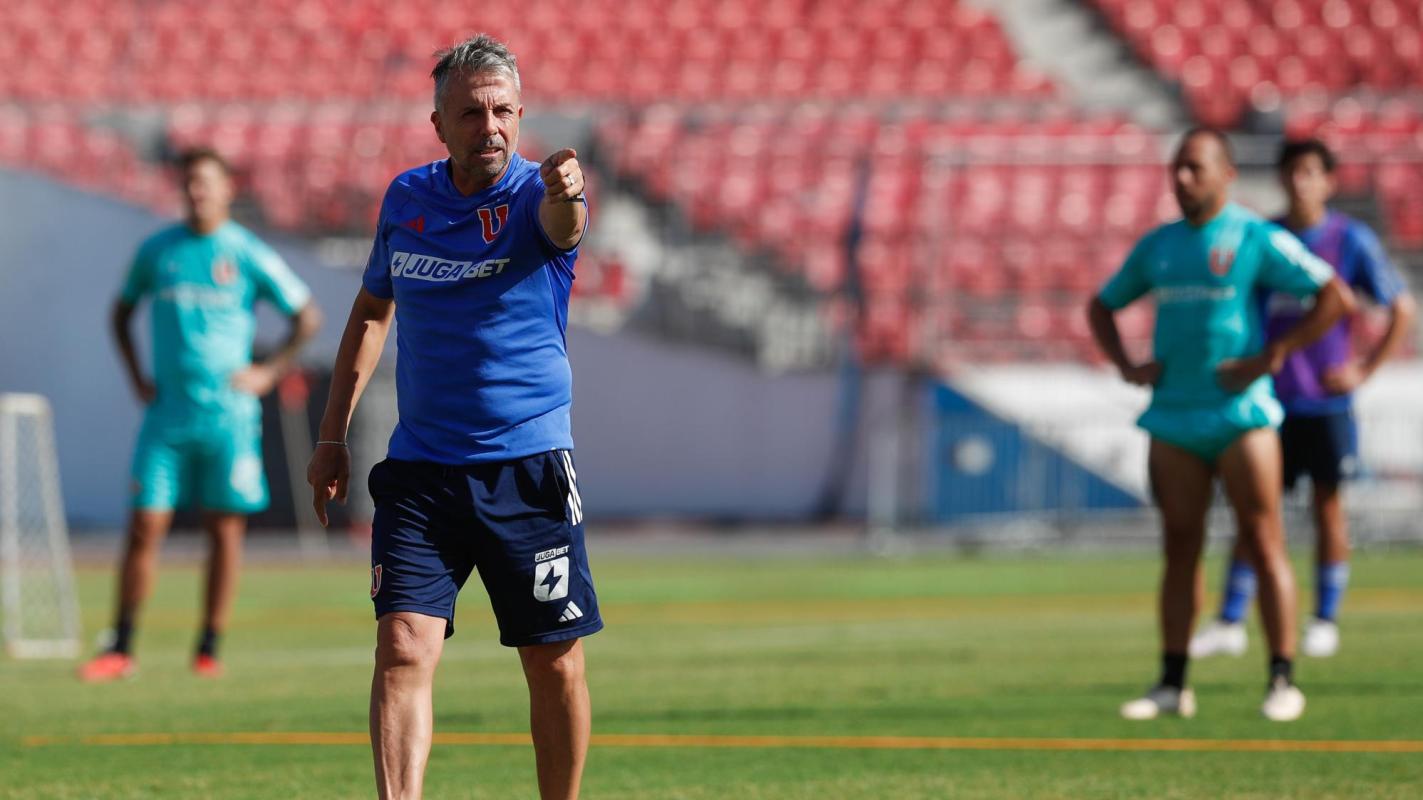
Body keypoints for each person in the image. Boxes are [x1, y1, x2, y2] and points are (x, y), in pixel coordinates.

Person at [306, 35, 599, 800]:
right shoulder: (407, 199)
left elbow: (566, 227)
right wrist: (332, 435)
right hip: (422, 473)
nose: (489, 126)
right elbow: (372, 312)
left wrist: (569, 193)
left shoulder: (538, 196)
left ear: (520, 115)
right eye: (470, 113)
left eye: (502, 111)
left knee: (553, 660)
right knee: (402, 647)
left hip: (527, 470)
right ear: (438, 124)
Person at [1087, 128, 1355, 722]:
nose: (1182, 179)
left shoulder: (1255, 236)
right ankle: (1172, 683)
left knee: (1263, 540)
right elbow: (1102, 305)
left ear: (1226, 175)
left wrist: (1272, 356)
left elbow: (1333, 296)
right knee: (1180, 547)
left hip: (1241, 416)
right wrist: (1128, 366)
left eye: (1195, 168)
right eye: (1176, 169)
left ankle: (1282, 679)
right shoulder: (1158, 246)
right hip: (1174, 417)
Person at [80, 147, 322, 682]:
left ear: (227, 189)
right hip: (167, 414)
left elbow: (306, 315)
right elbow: (121, 312)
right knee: (145, 524)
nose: (197, 192)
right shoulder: (158, 251)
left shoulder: (246, 251)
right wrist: (136, 376)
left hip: (228, 417)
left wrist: (269, 371)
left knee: (224, 530)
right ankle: (121, 645)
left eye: (206, 183)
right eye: (189, 183)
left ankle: (209, 647)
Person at [1190, 139, 1415, 660]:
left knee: (1327, 507)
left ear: (1328, 182)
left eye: (1311, 172)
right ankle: (1230, 620)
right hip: (1268, 401)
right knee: (1255, 511)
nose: (1300, 181)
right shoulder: (1264, 238)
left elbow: (1399, 307)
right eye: (1293, 171)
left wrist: (1363, 370)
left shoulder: (1349, 240)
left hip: (1325, 403)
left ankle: (1325, 618)